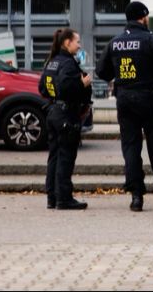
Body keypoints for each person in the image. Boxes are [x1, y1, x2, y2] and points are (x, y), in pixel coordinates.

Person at [96, 1, 153, 212]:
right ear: (144, 17)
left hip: (124, 100)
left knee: (130, 148)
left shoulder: (115, 42)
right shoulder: (150, 40)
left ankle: (136, 196)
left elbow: (102, 72)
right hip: (147, 99)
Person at [40, 28, 92, 211]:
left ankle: (52, 197)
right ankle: (64, 198)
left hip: (54, 112)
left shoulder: (52, 62)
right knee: (65, 158)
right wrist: (83, 84)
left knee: (54, 156)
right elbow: (67, 87)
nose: (79, 45)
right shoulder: (68, 64)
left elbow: (43, 88)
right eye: (76, 41)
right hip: (66, 115)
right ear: (67, 43)